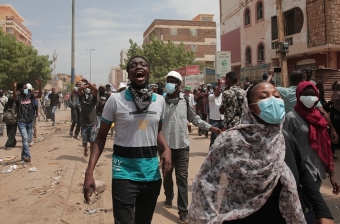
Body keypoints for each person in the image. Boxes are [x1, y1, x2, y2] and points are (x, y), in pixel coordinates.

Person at [189, 81, 334, 224]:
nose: (273, 100)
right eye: (264, 97)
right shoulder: (230, 140)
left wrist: (323, 211)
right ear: (250, 107)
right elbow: (207, 184)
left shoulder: (285, 139)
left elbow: (303, 174)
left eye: (277, 96)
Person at [83, 55, 172, 224]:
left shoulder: (159, 101)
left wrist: (166, 149)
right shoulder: (116, 100)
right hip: (124, 174)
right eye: (133, 65)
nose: (138, 67)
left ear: (148, 72)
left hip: (151, 175)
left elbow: (157, 132)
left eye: (143, 64)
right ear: (129, 74)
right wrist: (89, 172)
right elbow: (100, 137)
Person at [162, 71, 221, 224]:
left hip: (182, 146)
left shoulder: (185, 101)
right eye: (168, 80)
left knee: (181, 178)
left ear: (178, 85)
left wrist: (210, 128)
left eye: (173, 81)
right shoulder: (160, 102)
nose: (170, 83)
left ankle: (183, 210)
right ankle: (168, 195)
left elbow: (194, 118)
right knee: (167, 174)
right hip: (165, 147)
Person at [283, 81, 339, 223]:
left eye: (313, 94)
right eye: (306, 95)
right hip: (301, 173)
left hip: (318, 171)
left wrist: (331, 174)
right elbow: (285, 147)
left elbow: (325, 146)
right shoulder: (291, 118)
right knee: (307, 208)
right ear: (299, 95)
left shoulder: (319, 117)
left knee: (312, 207)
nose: (310, 97)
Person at [267, 69, 339, 141]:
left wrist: (270, 76)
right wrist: (333, 130)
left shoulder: (284, 92)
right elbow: (322, 112)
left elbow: (264, 88)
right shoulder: (309, 94)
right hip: (308, 129)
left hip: (289, 128)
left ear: (290, 80)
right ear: (303, 79)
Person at [13, 79, 42, 162]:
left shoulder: (29, 95)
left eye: (26, 88)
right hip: (21, 122)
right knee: (25, 139)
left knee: (28, 140)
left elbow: (39, 95)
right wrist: (14, 88)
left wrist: (39, 86)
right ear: (20, 89)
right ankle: (27, 156)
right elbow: (15, 98)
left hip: (29, 121)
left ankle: (23, 156)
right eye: (24, 88)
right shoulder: (18, 97)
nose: (26, 89)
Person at [78, 79, 98, 157]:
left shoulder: (94, 99)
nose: (88, 91)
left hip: (93, 123)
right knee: (84, 140)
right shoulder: (82, 98)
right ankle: (86, 148)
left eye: (90, 90)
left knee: (92, 140)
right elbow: (80, 89)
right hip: (84, 122)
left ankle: (92, 153)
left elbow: (96, 89)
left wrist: (89, 83)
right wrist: (88, 84)